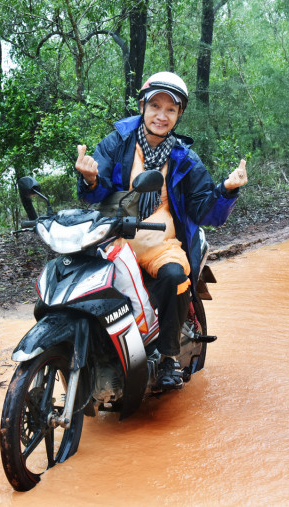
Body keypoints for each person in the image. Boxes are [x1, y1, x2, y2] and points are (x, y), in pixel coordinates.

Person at [75, 72, 248, 390]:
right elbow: (94, 197)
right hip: (113, 237)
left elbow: (205, 211)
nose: (161, 115)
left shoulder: (185, 159)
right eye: (155, 105)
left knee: (173, 275)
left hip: (160, 242)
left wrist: (226, 190)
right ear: (142, 106)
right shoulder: (118, 142)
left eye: (171, 109)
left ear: (179, 115)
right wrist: (90, 180)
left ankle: (168, 358)